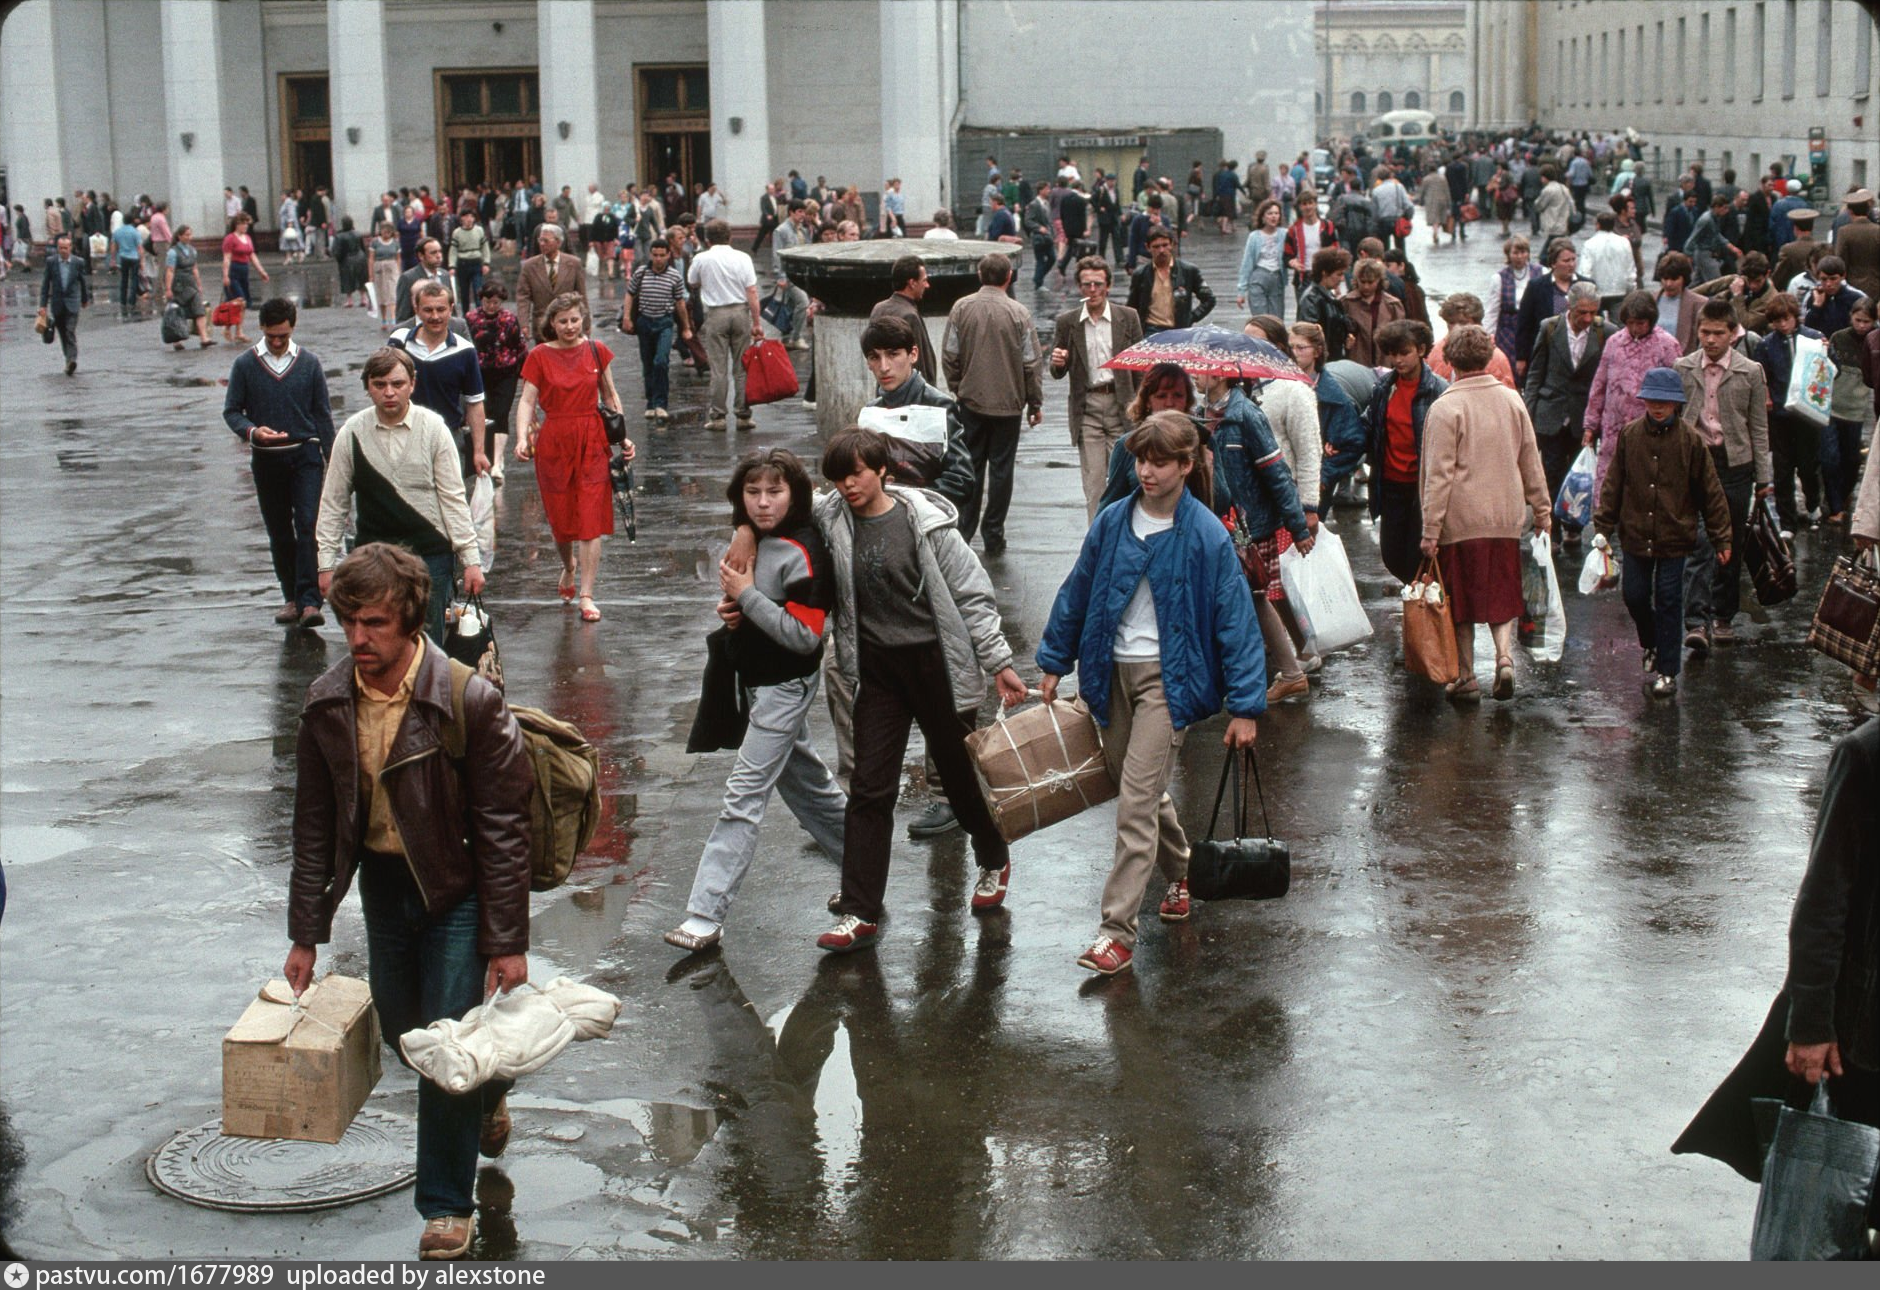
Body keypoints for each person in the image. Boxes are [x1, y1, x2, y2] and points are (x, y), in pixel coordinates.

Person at [285, 542, 531, 1262]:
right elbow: (313, 825)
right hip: (385, 889)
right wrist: (306, 935)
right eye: (349, 623)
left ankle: (448, 1207)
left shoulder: (465, 698)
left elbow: (504, 829)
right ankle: (491, 1091)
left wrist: (507, 940)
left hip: (457, 890)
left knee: (446, 1046)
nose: (359, 639)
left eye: (375, 625)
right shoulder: (328, 701)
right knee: (406, 1038)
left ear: (409, 619)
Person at [1036, 412, 1265, 977]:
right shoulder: (1114, 520)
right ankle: (1181, 870)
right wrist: (1052, 659)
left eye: (1160, 461)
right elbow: (1078, 589)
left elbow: (1237, 622)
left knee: (1136, 802)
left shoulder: (1207, 535)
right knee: (1140, 789)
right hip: (1108, 677)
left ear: (1187, 465)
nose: (1147, 471)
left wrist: (1246, 706)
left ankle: (1116, 932)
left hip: (1170, 683)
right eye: (1141, 459)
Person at [812, 428, 1028, 954]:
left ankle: (993, 853)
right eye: (839, 476)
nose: (848, 484)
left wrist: (998, 660)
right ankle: (860, 910)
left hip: (936, 665)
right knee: (870, 786)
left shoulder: (925, 523)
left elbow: (972, 594)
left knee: (957, 780)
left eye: (857, 473)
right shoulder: (832, 517)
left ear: (882, 469)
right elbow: (780, 497)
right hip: (878, 671)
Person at [665, 450, 847, 953]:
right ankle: (864, 868)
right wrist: (737, 606)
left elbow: (806, 638)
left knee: (743, 797)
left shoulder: (803, 550)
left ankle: (705, 913)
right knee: (807, 783)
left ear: (796, 494)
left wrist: (745, 598)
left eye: (775, 492)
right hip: (755, 681)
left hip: (784, 687)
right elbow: (750, 597)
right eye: (753, 493)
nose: (764, 504)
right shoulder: (755, 536)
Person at [1416, 325, 1551, 702]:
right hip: (1506, 516)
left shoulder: (1446, 407)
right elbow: (1530, 460)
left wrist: (1430, 529)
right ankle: (1505, 659)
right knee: (1501, 593)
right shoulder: (1512, 401)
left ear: (1452, 361)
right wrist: (1542, 509)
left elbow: (1438, 475)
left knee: (1460, 603)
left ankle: (1467, 675)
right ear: (1488, 358)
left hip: (1461, 520)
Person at [314, 348, 484, 644]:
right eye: (379, 385)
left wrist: (471, 560)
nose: (389, 392)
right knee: (379, 642)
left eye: (398, 384)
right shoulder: (351, 433)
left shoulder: (433, 429)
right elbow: (333, 504)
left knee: (428, 646)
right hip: (374, 559)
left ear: (412, 384)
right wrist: (326, 564)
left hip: (431, 556)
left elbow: (453, 498)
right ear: (368, 386)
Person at [1592, 368, 1733, 699]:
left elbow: (1710, 492)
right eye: (1652, 401)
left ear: (1676, 405)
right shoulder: (1630, 436)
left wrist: (1721, 537)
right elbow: (1614, 483)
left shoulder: (1691, 441)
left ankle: (1668, 671)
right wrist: (1603, 527)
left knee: (1670, 599)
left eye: (1665, 403)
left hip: (1675, 535)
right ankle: (1651, 642)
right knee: (1635, 595)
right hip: (1636, 533)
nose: (1657, 408)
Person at [512, 293, 632, 621]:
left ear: (583, 319)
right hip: (554, 442)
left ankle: (588, 595)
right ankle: (569, 566)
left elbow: (609, 395)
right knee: (562, 521)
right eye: (562, 321)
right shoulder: (538, 356)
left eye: (575, 320)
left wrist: (622, 438)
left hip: (592, 439)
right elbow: (526, 401)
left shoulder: (596, 350)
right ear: (552, 323)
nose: (569, 326)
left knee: (590, 519)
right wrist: (522, 437)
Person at [223, 297, 335, 629]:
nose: (276, 342)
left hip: (305, 456)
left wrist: (334, 461)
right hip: (267, 460)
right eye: (271, 335)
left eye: (282, 336)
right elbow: (232, 411)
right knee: (279, 531)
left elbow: (322, 415)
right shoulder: (245, 365)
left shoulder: (309, 363)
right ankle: (291, 597)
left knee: (307, 527)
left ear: (292, 329)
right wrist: (253, 432)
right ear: (261, 329)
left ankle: (311, 601)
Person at [1205, 366, 1315, 704]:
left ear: (1221, 375)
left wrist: (1298, 527)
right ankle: (1290, 666)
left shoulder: (1245, 415)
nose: (1195, 375)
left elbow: (1277, 474)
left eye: (1202, 370)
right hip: (1220, 523)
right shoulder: (1204, 415)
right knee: (1247, 600)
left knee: (1254, 598)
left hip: (1250, 527)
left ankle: (1291, 670)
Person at [1674, 298, 1776, 653]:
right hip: (1695, 460)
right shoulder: (1683, 367)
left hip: (1735, 464)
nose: (1711, 340)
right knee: (1697, 540)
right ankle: (1696, 620)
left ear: (1733, 334)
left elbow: (1759, 428)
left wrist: (1764, 479)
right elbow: (1674, 420)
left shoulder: (1750, 371)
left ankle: (1723, 614)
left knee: (1728, 540)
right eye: (1705, 332)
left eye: (1718, 333)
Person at [941, 251, 1044, 555]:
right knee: (1002, 469)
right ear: (1009, 277)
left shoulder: (961, 308)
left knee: (970, 465)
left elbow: (950, 354)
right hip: (1009, 404)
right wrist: (1034, 402)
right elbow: (1032, 362)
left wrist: (959, 386)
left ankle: (965, 528)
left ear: (979, 275)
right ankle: (994, 531)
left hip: (971, 402)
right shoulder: (1019, 313)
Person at [1521, 283, 1616, 546]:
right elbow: (1535, 373)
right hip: (1551, 413)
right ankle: (1552, 529)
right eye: (1581, 312)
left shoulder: (1605, 332)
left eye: (1592, 312)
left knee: (1580, 476)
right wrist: (1529, 413)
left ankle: (1574, 527)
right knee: (1550, 472)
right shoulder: (1549, 328)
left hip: (1583, 418)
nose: (1587, 319)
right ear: (1569, 307)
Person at [1050, 256, 1144, 520]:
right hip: (1088, 408)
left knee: (1126, 480)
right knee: (1094, 487)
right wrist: (1058, 362)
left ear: (1108, 286)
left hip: (1121, 405)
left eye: (1098, 284)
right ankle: (1097, 544)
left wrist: (1142, 407)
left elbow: (1139, 367)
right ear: (1079, 287)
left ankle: (1126, 536)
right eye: (1086, 284)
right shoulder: (1068, 322)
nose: (1092, 290)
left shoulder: (1127, 317)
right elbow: (1058, 369)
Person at [1366, 320, 1449, 585]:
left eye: (1404, 352)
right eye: (1393, 354)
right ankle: (1415, 593)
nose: (1398, 360)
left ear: (1421, 349)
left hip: (1421, 487)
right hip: (1390, 482)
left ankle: (1424, 609)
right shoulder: (1384, 388)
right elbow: (1369, 426)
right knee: (1391, 555)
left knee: (1418, 555)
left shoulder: (1438, 390)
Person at [1584, 290, 1686, 501]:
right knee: (1610, 484)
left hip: (1651, 430)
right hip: (1614, 430)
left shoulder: (1667, 345)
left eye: (1640, 323)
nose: (1635, 329)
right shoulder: (1614, 342)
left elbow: (1679, 389)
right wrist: (1590, 425)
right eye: (1630, 323)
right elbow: (1599, 385)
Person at [389, 282, 488, 484]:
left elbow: (475, 403)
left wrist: (479, 451)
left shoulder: (465, 350)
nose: (435, 316)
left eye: (441, 309)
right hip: (404, 436)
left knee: (450, 502)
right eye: (428, 310)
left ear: (451, 309)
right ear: (416, 310)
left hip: (448, 437)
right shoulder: (399, 342)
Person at [1755, 293, 1828, 532]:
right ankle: (1787, 521)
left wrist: (1826, 352)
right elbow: (1761, 376)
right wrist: (1767, 399)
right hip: (1780, 416)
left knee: (1808, 465)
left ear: (1795, 317)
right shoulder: (1766, 345)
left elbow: (1831, 371)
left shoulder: (1814, 338)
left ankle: (1813, 503)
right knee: (1783, 469)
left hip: (1807, 413)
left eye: (1786, 319)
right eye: (1777, 321)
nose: (1782, 325)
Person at [689, 219, 762, 432]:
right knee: (741, 367)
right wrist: (756, 322)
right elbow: (752, 291)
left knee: (718, 368)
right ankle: (743, 415)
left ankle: (718, 416)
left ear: (707, 239)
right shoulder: (743, 258)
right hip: (740, 312)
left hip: (716, 313)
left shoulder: (702, 258)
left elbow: (692, 281)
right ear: (730, 237)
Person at [620, 237, 692, 422]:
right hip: (645, 322)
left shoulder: (674, 276)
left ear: (668, 255)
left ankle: (661, 403)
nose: (658, 259)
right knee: (648, 363)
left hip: (664, 323)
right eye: (655, 255)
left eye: (662, 255)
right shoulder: (641, 273)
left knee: (661, 361)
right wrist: (627, 318)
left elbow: (680, 303)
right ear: (650, 255)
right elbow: (630, 294)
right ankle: (651, 402)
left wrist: (686, 328)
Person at [1823, 297, 1876, 525]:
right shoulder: (1839, 338)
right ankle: (1835, 507)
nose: (1862, 325)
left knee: (1852, 459)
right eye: (1858, 320)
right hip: (1832, 408)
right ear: (1851, 318)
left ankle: (1842, 496)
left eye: (1867, 321)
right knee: (1829, 458)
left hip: (1856, 412)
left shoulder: (1874, 342)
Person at [467, 281, 525, 485]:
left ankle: (498, 462)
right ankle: (486, 458)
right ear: (481, 300)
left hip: (505, 373)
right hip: (480, 373)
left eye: (496, 302)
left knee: (501, 413)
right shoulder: (471, 319)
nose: (492, 306)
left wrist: (523, 374)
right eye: (487, 301)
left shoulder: (509, 319)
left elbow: (519, 346)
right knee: (484, 414)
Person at [1512, 239, 1591, 378]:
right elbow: (1524, 324)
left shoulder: (1587, 285)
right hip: (1547, 353)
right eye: (1566, 261)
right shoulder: (1536, 287)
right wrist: (1521, 357)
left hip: (1579, 351)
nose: (1571, 265)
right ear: (1553, 263)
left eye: (1573, 259)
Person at [1126, 227, 1215, 336]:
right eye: (1156, 247)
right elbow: (1131, 307)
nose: (1161, 250)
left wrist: (1191, 318)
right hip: (1150, 331)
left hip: (1179, 331)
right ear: (1148, 247)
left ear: (1172, 244)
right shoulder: (1141, 274)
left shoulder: (1188, 271)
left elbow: (1209, 299)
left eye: (1165, 245)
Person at [868, 255, 936, 386]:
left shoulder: (878, 308)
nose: (927, 285)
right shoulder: (909, 315)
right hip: (908, 395)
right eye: (924, 280)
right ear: (912, 283)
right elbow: (917, 363)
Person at [514, 224, 586, 345]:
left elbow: (582, 296)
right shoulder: (529, 266)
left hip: (569, 328)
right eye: (540, 240)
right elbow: (523, 297)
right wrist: (524, 324)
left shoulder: (574, 263)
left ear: (558, 242)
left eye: (546, 240)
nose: (542, 244)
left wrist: (586, 326)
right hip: (542, 328)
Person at [1429, 293, 1517, 389]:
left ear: (1478, 323)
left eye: (1463, 323)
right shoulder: (1434, 352)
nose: (1456, 328)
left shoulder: (1496, 358)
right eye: (1451, 323)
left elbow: (1505, 396)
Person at [1484, 236, 1543, 366]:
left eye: (1523, 252)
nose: (1520, 256)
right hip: (1508, 331)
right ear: (1508, 255)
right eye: (1515, 253)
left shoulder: (1541, 272)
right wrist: (1488, 336)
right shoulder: (1499, 278)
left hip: (1533, 328)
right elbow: (1492, 311)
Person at [38, 234, 89, 375]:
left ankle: (72, 359)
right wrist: (42, 305)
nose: (63, 251)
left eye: (66, 248)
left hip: (73, 302)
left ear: (70, 248)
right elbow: (45, 284)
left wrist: (85, 299)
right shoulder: (51, 262)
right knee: (62, 333)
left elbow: (83, 282)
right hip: (58, 303)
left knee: (70, 331)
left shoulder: (78, 262)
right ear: (57, 248)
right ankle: (68, 360)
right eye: (60, 248)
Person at [1344, 258, 1405, 368]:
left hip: (1385, 363)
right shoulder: (1347, 302)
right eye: (1362, 281)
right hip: (1356, 363)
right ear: (1356, 280)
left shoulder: (1392, 304)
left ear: (1379, 280)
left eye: (1371, 282)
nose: (1366, 286)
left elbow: (1400, 337)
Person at [162, 224, 214, 350]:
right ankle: (177, 340)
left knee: (199, 310)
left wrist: (199, 284)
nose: (189, 237)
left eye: (190, 234)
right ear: (179, 236)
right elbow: (170, 271)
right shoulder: (173, 252)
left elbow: (195, 268)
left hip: (191, 284)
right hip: (179, 286)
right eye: (186, 235)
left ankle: (204, 338)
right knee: (179, 312)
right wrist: (168, 289)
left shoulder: (192, 250)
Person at [1297, 247, 1352, 362]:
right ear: (1325, 273)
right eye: (1338, 274)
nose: (1342, 279)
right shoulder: (1312, 298)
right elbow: (1309, 334)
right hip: (1323, 361)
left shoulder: (1327, 296)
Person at [220, 213, 268, 344]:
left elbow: (252, 256)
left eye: (247, 223)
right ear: (237, 224)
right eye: (243, 223)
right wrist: (225, 275)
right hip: (233, 271)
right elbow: (227, 258)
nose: (246, 226)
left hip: (244, 271)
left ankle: (236, 330)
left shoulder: (247, 238)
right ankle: (232, 329)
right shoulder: (230, 239)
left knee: (242, 303)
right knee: (239, 301)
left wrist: (261, 271)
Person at [1236, 200, 1288, 320]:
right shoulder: (1254, 236)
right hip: (1259, 277)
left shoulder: (1284, 234)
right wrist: (1241, 291)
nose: (1273, 216)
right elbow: (1247, 263)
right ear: (1263, 217)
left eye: (1276, 213)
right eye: (1270, 213)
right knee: (1261, 319)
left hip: (1277, 278)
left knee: (1277, 320)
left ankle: (1274, 339)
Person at [1581, 210, 1638, 313]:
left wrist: (1587, 292)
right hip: (1619, 291)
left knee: (1596, 326)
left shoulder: (1589, 244)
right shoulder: (1624, 243)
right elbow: (1630, 268)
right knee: (1618, 325)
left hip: (1597, 292)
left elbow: (1585, 272)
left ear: (1598, 225)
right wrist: (1630, 288)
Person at [1832, 189, 1880, 302]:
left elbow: (1840, 260)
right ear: (1868, 210)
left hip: (1852, 285)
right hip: (1876, 284)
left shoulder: (1844, 231)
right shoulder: (1877, 230)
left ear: (1850, 211)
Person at [394, 238, 451, 327]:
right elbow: (402, 314)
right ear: (421, 256)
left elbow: (451, 307)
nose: (439, 256)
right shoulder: (408, 278)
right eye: (433, 253)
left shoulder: (445, 275)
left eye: (440, 252)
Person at [447, 210, 489, 316]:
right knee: (464, 292)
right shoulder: (457, 232)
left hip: (476, 262)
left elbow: (485, 247)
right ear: (462, 219)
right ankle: (466, 314)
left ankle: (480, 314)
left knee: (478, 289)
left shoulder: (479, 230)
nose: (469, 219)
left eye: (471, 216)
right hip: (463, 263)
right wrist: (452, 265)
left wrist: (486, 263)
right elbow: (453, 250)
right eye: (466, 217)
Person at [369, 221, 402, 328]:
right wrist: (370, 274)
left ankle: (393, 317)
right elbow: (371, 258)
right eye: (384, 231)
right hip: (379, 269)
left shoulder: (395, 243)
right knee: (382, 294)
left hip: (392, 268)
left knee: (392, 293)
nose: (386, 234)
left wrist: (399, 271)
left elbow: (398, 258)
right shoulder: (375, 242)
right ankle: (383, 319)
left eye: (388, 232)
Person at [332, 216, 370, 310]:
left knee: (347, 279)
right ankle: (363, 298)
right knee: (362, 279)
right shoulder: (358, 234)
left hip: (347, 259)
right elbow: (362, 247)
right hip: (360, 258)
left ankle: (349, 300)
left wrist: (338, 259)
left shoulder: (339, 236)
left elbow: (337, 251)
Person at [109, 214, 142, 317]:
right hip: (134, 257)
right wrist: (142, 261)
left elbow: (114, 246)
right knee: (134, 279)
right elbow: (139, 247)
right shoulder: (135, 232)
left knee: (124, 279)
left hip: (123, 257)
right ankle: (132, 300)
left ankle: (123, 300)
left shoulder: (117, 232)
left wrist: (113, 259)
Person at [1415, 164, 1453, 247]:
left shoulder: (1426, 179)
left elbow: (1422, 191)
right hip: (1442, 200)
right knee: (1439, 217)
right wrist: (1449, 203)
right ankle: (1436, 231)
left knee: (1434, 218)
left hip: (1431, 201)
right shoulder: (1443, 178)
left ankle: (1435, 232)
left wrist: (1419, 201)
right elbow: (1447, 190)